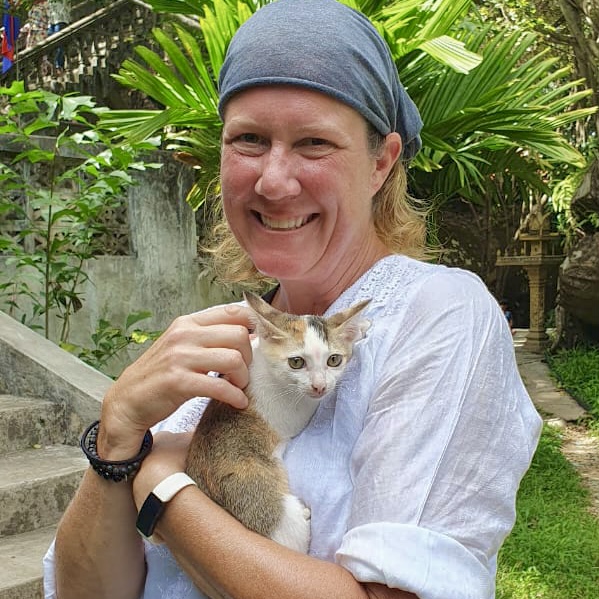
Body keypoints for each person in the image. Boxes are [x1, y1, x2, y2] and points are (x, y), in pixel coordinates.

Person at [43, 1, 542, 598]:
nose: (273, 181)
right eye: (249, 139)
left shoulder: (436, 313)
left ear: (381, 164)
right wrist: (117, 437)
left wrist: (159, 488)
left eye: (314, 143)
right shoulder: (223, 344)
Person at [46, 0, 69, 70]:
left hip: (61, 18)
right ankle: (54, 65)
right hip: (51, 21)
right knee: (50, 45)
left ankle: (59, 65)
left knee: (59, 43)